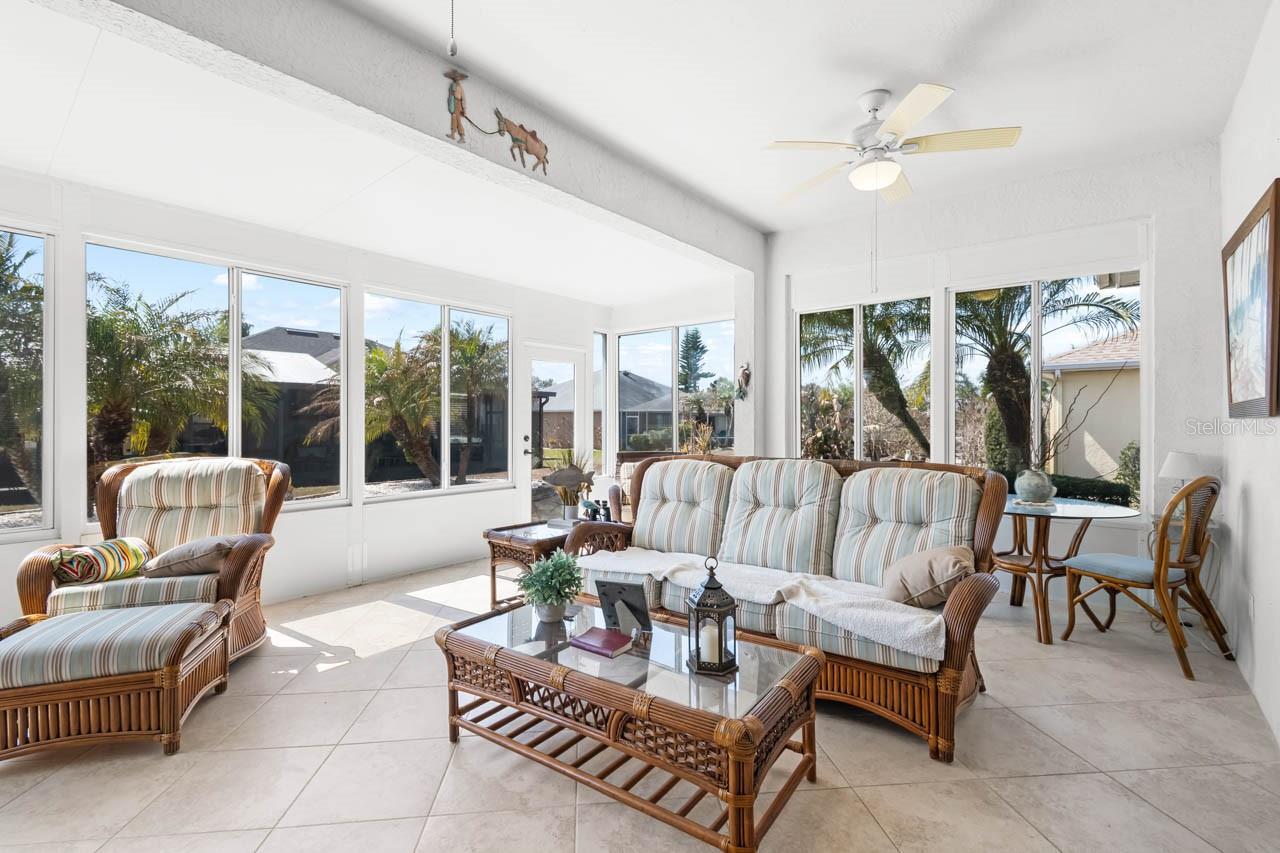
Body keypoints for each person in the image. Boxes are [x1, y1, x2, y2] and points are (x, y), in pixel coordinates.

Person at [445, 69, 468, 142]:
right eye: (455, 77)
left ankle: (462, 136)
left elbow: (463, 98)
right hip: (453, 102)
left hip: (458, 103)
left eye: (457, 77)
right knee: (453, 118)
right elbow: (450, 95)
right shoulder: (452, 85)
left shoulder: (460, 87)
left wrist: (464, 109)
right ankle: (453, 134)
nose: (456, 79)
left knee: (458, 120)